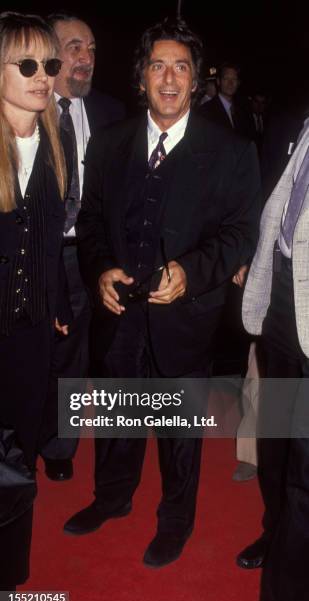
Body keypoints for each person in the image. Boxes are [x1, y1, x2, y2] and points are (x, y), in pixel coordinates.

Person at [65, 18, 260, 569]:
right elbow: (93, 219)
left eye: (181, 67)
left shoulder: (231, 150)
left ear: (197, 80)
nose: (169, 78)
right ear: (141, 76)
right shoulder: (110, 142)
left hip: (186, 319)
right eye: (158, 65)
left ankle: (176, 520)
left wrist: (192, 272)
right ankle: (112, 497)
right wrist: (100, 268)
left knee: (178, 431)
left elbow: (240, 233)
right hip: (119, 313)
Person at [0, 11, 69, 597]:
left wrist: (56, 306)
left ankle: (9, 584)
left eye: (49, 63)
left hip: (28, 337)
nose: (43, 75)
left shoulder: (54, 142)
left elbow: (49, 244)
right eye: (27, 64)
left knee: (18, 459)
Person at [39, 13, 125, 482]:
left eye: (91, 49)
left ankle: (58, 444)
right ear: (49, 52)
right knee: (35, 349)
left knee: (78, 354)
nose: (85, 59)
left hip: (90, 254)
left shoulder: (111, 113)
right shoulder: (24, 108)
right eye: (74, 47)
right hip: (37, 254)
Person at [237, 94, 309, 601]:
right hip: (283, 301)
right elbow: (273, 200)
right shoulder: (293, 120)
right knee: (277, 436)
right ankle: (276, 531)